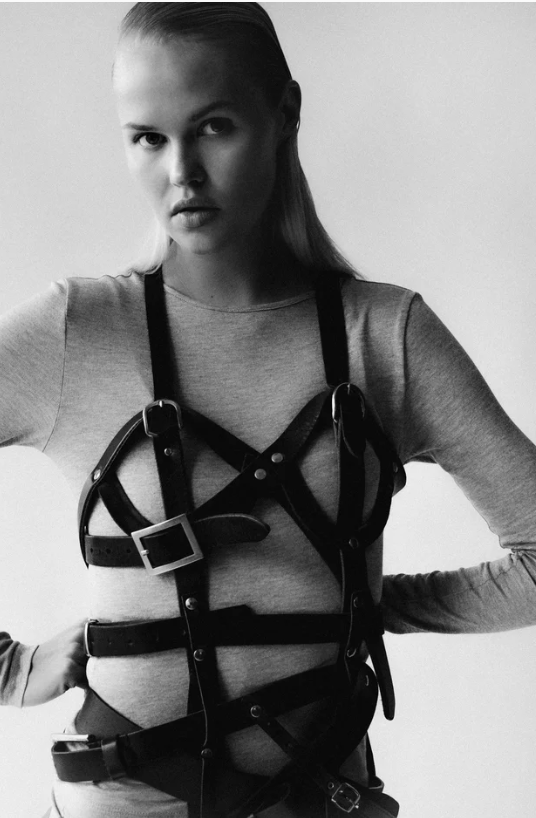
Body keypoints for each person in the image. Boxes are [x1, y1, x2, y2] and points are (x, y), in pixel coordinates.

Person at [1, 3, 536, 817]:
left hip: (325, 797)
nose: (181, 171)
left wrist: (375, 605)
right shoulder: (79, 330)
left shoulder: (383, 335)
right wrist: (11, 671)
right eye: (147, 138)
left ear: (284, 113)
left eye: (213, 127)